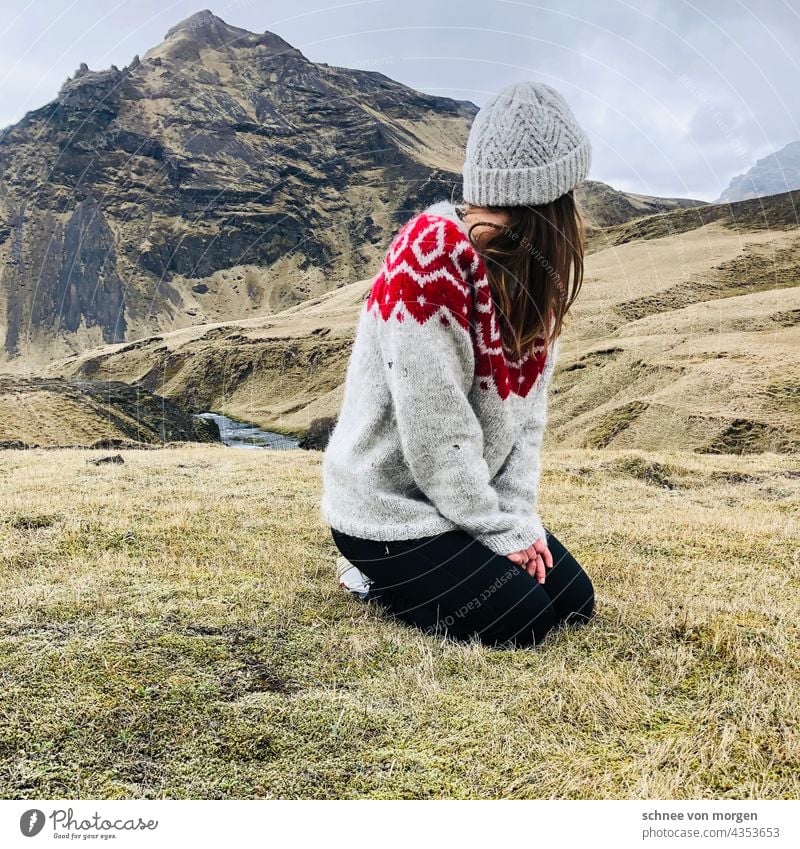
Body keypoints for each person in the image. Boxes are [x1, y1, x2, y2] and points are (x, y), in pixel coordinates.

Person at [320, 81, 595, 648]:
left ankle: (455, 557)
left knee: (574, 603)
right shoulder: (430, 256)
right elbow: (434, 429)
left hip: (463, 507)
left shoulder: (531, 285)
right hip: (385, 510)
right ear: (552, 199)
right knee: (523, 620)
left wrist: (518, 523)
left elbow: (526, 427)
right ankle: (370, 576)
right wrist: (495, 532)